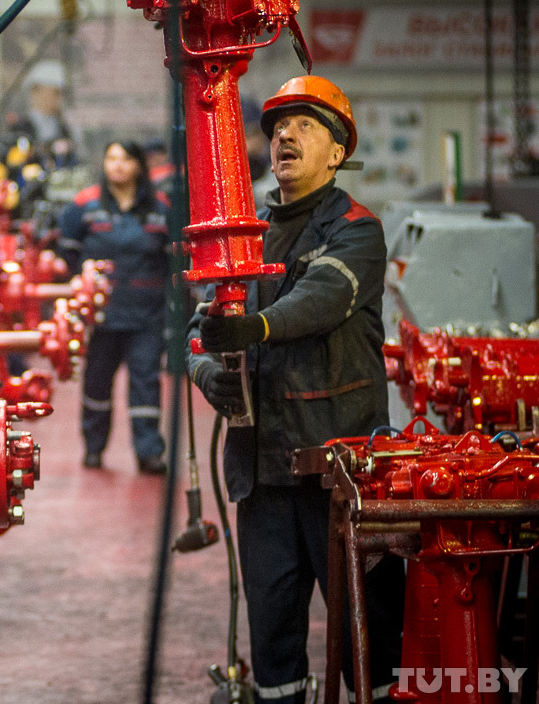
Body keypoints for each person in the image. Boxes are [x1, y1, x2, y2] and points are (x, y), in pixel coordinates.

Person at [187, 76, 403, 703]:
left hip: (338, 472)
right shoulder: (242, 232)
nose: (285, 134)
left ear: (337, 152)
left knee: (370, 641)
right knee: (274, 643)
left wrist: (254, 326)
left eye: (306, 125)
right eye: (279, 126)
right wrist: (208, 375)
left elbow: (324, 297)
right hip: (263, 478)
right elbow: (199, 332)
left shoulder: (357, 229)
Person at [57, 140, 170, 475]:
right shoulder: (84, 205)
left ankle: (149, 452)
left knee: (146, 383)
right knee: (96, 383)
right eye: (111, 158)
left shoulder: (161, 208)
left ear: (138, 165)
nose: (117, 165)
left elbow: (173, 259)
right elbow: (67, 251)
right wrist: (83, 282)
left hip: (147, 316)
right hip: (101, 317)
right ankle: (93, 448)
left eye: (125, 159)